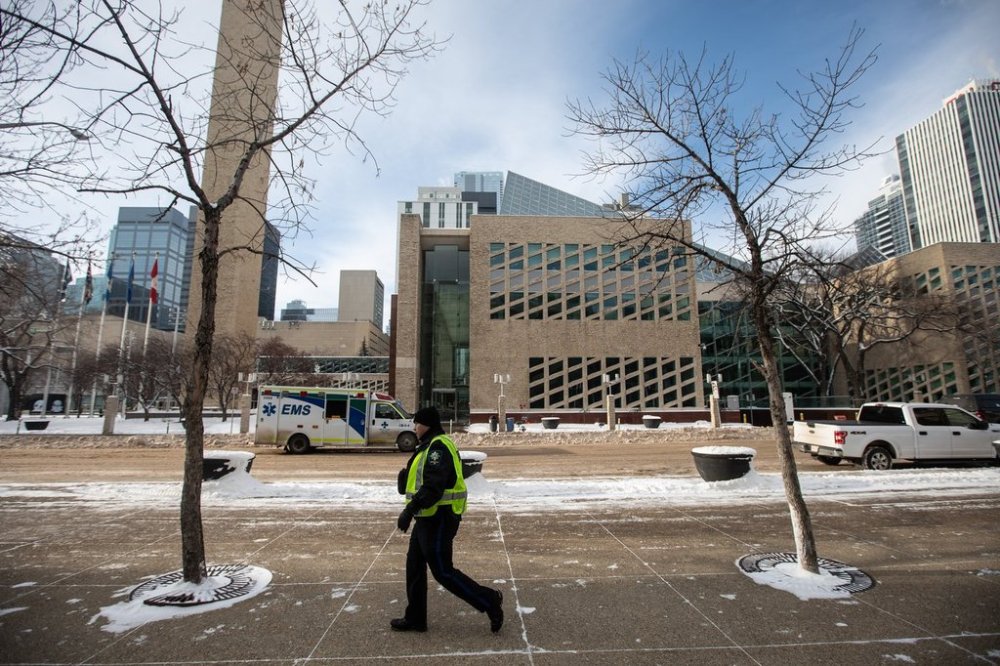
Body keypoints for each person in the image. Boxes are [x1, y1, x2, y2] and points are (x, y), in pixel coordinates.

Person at [391, 406, 504, 634]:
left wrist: (409, 510)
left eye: (417, 423)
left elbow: (434, 487)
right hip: (427, 517)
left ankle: (489, 600)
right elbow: (423, 481)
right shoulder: (428, 446)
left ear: (427, 425)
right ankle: (415, 618)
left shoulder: (437, 448)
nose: (415, 427)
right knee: (414, 566)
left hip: (439, 518)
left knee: (443, 571)